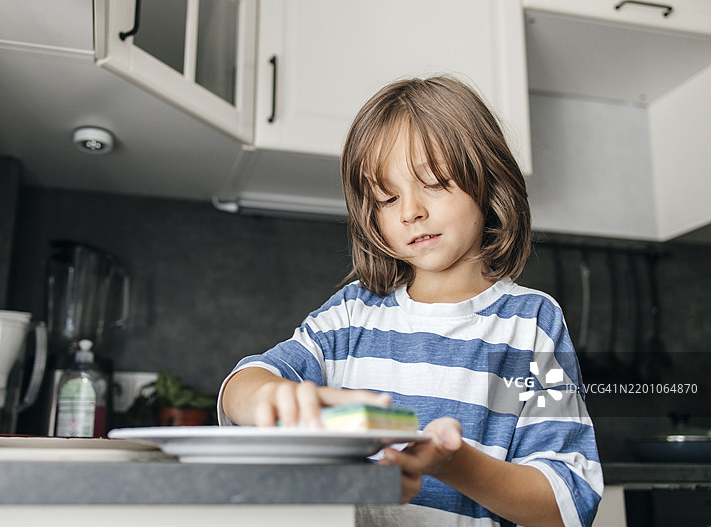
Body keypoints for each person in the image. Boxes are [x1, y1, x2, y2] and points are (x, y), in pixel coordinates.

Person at [218, 75, 602, 527]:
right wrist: (271, 396)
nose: (410, 211)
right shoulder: (350, 314)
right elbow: (240, 388)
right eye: (387, 196)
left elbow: (567, 503)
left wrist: (452, 463)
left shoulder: (530, 322)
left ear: (488, 181)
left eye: (435, 183)